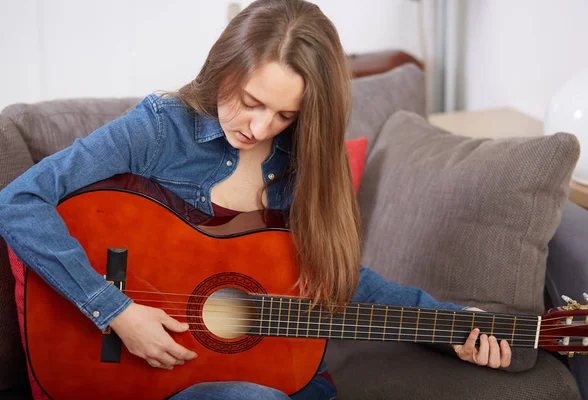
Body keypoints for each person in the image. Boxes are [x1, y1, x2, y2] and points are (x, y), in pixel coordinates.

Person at [0, 0, 511, 399]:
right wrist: (116, 311)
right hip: (144, 375)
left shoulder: (301, 158)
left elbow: (337, 279)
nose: (261, 127)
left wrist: (450, 322)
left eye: (285, 115)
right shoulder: (158, 128)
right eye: (251, 102)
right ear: (223, 67)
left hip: (270, 377)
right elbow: (18, 201)